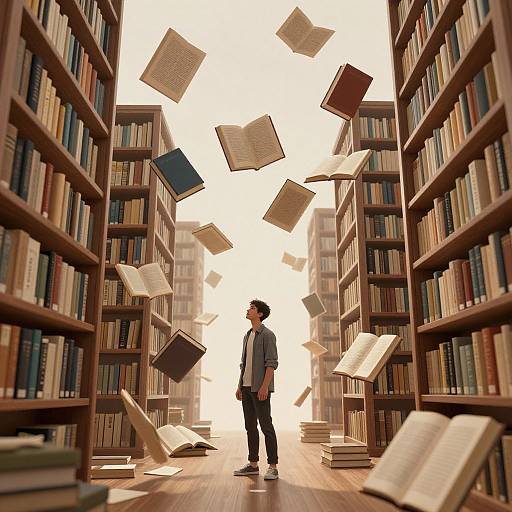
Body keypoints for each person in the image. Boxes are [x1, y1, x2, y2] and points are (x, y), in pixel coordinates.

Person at [233, 299, 279, 480]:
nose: (248, 310)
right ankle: (253, 464)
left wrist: (265, 386)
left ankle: (273, 466)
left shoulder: (268, 335)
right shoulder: (247, 335)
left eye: (252, 308)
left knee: (266, 426)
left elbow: (272, 363)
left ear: (259, 314)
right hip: (245, 388)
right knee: (250, 426)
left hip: (260, 389)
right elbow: (243, 364)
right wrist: (239, 385)